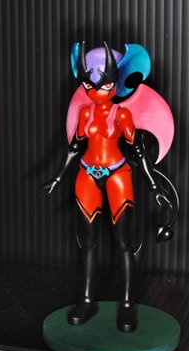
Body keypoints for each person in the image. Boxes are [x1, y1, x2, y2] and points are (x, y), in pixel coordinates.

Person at [41, 42, 177, 332]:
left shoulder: (123, 114)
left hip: (117, 174)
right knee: (88, 239)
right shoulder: (84, 113)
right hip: (87, 173)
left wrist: (154, 185)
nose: (95, 92)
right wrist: (57, 177)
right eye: (88, 85)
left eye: (103, 85)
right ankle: (87, 298)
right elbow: (75, 147)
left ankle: (127, 303)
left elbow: (138, 151)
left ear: (116, 82)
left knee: (123, 241)